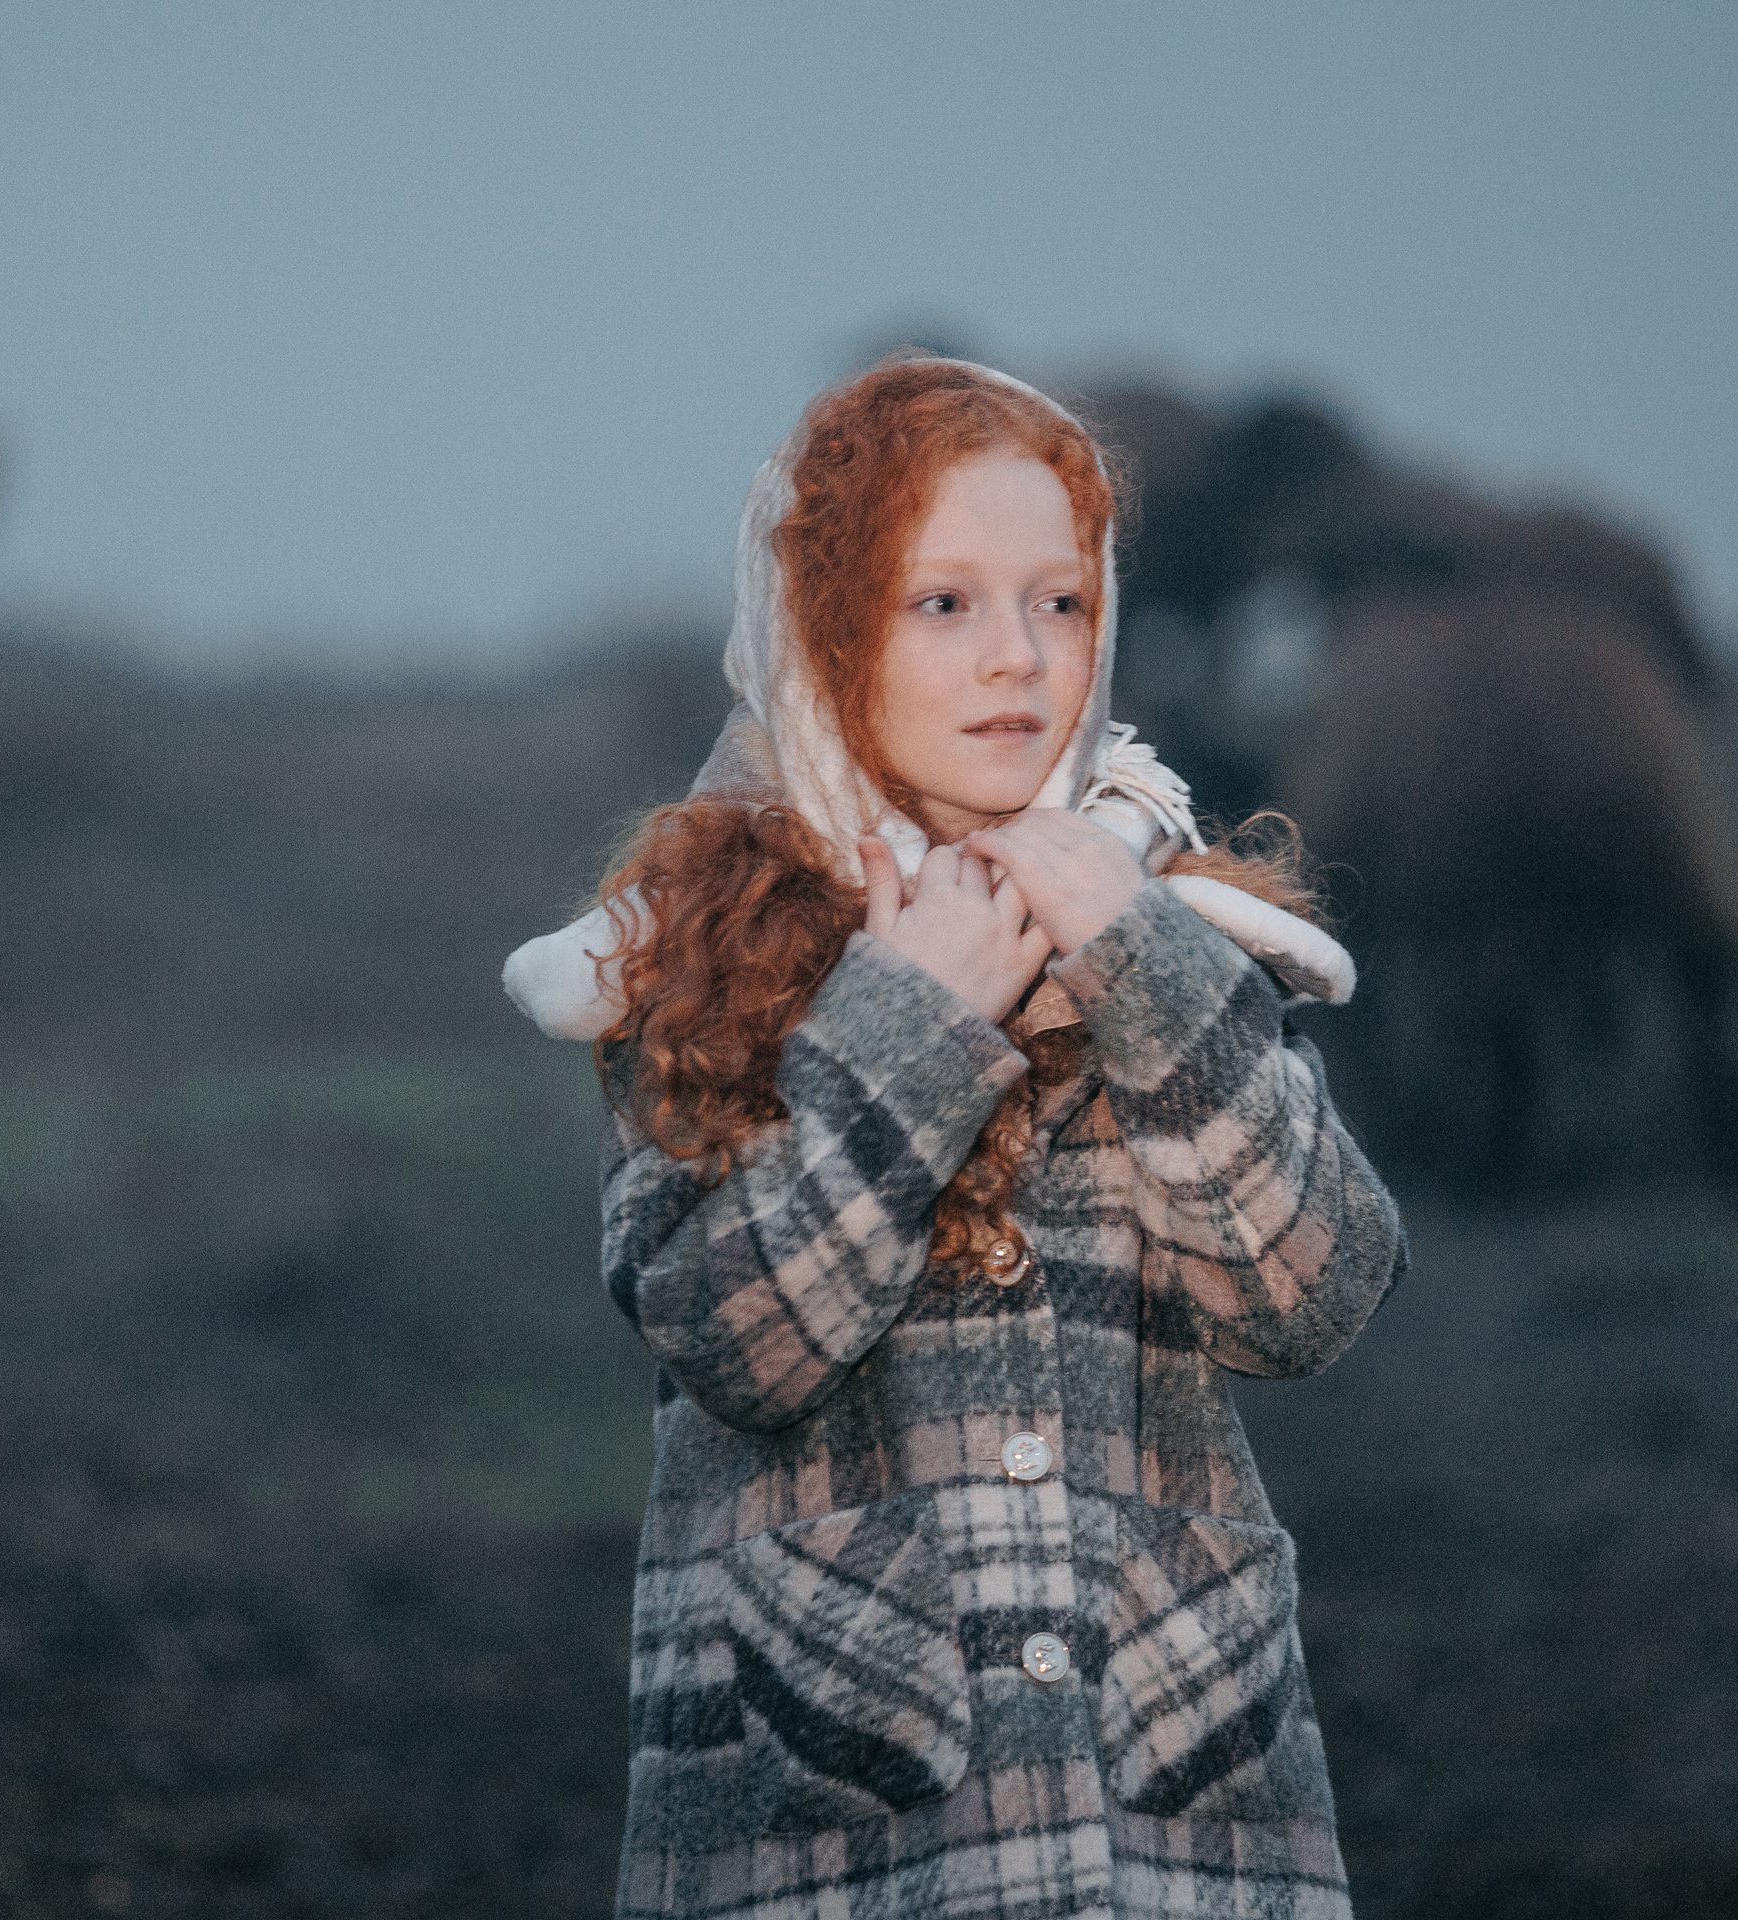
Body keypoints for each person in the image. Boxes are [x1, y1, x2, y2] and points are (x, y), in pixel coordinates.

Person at [501, 357, 1405, 1920]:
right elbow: (736, 1333)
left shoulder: (1168, 924)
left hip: (1178, 1830)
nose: (1020, 659)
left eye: (1061, 602)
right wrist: (914, 1017)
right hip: (842, 1826)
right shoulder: (700, 960)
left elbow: (1315, 1294)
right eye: (944, 605)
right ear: (822, 618)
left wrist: (1139, 953)